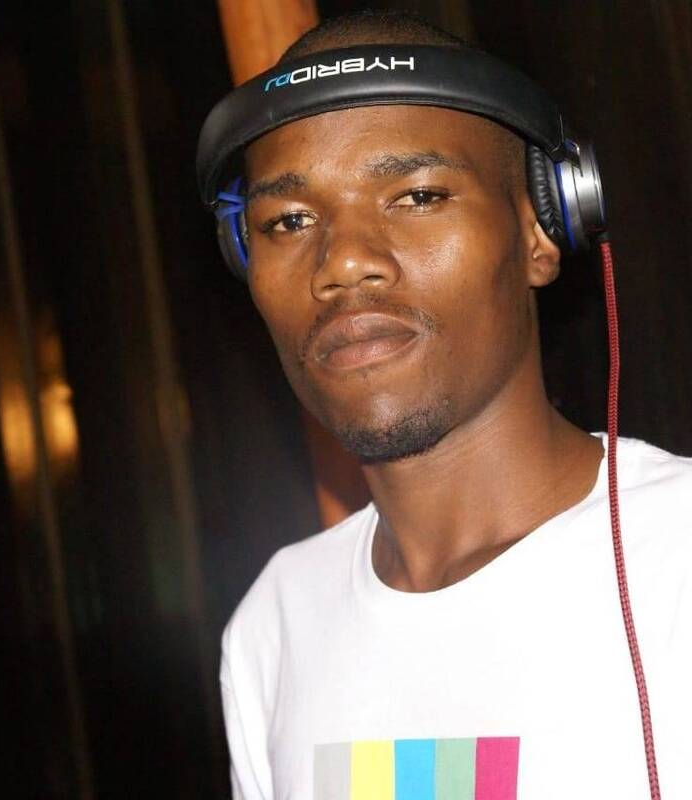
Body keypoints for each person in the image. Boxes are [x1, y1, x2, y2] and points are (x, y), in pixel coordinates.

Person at [197, 10, 691, 799]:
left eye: (417, 195)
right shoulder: (276, 626)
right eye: (289, 220)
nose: (343, 261)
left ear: (544, 224)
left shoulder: (676, 558)